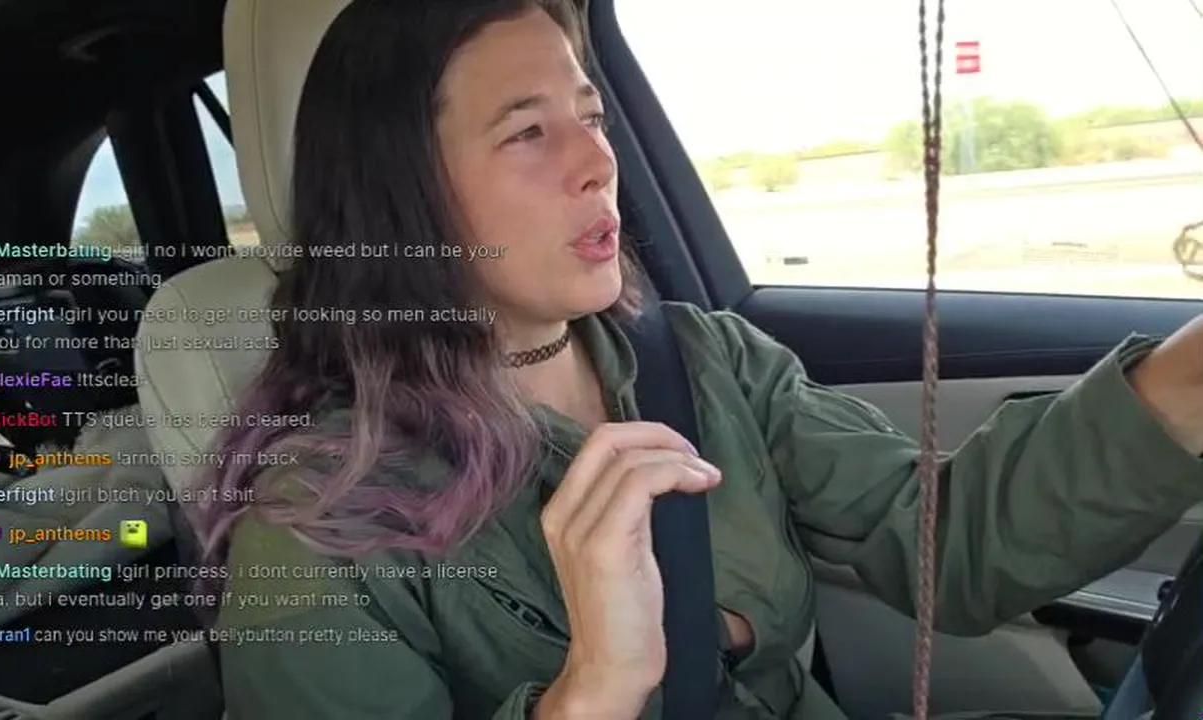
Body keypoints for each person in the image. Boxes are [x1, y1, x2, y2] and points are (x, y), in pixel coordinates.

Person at [196, 0, 1203, 717]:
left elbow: (950, 542)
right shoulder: (315, 532)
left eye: (591, 117)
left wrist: (1191, 376)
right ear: (400, 197)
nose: (597, 162)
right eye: (529, 132)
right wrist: (595, 688)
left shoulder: (704, 361)